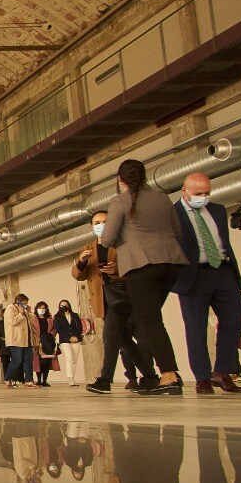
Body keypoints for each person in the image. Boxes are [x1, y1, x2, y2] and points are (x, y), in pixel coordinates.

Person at [99, 158, 188, 396]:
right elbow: (177, 231)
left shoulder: (119, 201)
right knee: (149, 318)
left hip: (141, 265)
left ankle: (168, 375)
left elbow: (107, 239)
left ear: (120, 180)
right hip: (172, 263)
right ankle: (160, 374)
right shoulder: (162, 198)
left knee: (149, 321)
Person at [171, 172, 241, 395]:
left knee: (233, 322)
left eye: (207, 193)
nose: (203, 197)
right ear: (185, 191)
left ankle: (222, 372)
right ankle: (202, 378)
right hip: (193, 276)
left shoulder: (218, 210)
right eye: (198, 193)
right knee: (196, 329)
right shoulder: (172, 214)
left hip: (223, 271)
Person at [76, 207, 152, 393]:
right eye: (97, 223)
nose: (101, 226)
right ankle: (150, 376)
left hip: (124, 298)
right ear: (91, 227)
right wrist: (81, 262)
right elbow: (78, 275)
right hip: (104, 301)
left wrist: (117, 271)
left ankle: (105, 380)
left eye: (105, 222)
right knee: (124, 342)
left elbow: (137, 269)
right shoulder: (88, 249)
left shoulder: (123, 244)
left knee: (111, 338)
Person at [2, 294, 37, 389]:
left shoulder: (24, 311)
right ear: (18, 302)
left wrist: (28, 312)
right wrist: (20, 314)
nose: (25, 305)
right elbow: (12, 321)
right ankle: (7, 379)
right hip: (16, 340)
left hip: (27, 340)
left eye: (26, 304)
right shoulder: (10, 309)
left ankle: (29, 380)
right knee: (17, 360)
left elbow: (31, 321)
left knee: (28, 360)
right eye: (24, 303)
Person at [51, 298, 85, 386]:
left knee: (74, 359)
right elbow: (59, 329)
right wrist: (69, 338)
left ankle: (73, 377)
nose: (63, 307)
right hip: (65, 340)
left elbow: (80, 327)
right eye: (61, 305)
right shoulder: (57, 317)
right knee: (69, 357)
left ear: (69, 306)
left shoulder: (75, 315)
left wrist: (77, 337)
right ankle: (70, 379)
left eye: (65, 305)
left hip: (76, 339)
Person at [32, 301, 55, 387]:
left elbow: (54, 329)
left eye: (43, 308)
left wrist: (51, 335)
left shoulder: (50, 319)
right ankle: (38, 380)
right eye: (40, 308)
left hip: (48, 342)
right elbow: (33, 330)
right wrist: (36, 339)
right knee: (38, 361)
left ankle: (45, 380)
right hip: (37, 342)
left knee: (47, 361)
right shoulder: (34, 319)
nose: (42, 310)